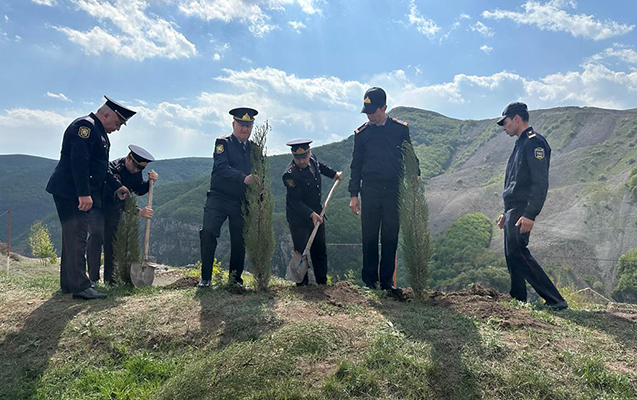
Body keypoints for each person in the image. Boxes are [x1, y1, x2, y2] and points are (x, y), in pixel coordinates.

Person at [46, 96, 135, 299]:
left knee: (72, 238)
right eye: (117, 123)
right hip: (71, 192)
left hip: (74, 191)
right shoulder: (85, 127)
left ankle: (69, 284)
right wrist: (84, 193)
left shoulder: (98, 132)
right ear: (107, 115)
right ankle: (81, 287)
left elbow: (101, 168)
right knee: (78, 238)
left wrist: (118, 186)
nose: (117, 128)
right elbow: (79, 162)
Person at [495, 101, 568, 310]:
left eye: (506, 122)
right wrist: (505, 212)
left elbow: (539, 182)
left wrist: (530, 214)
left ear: (517, 118)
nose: (504, 127)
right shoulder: (520, 143)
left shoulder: (534, 142)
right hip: (513, 208)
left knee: (518, 252)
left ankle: (555, 299)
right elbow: (514, 181)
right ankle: (517, 297)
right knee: (511, 254)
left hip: (522, 208)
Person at [348, 87, 418, 291]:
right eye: (367, 112)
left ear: (384, 107)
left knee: (390, 235)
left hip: (393, 190)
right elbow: (356, 165)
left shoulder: (400, 129)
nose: (369, 116)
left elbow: (409, 155)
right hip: (370, 189)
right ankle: (370, 282)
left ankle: (387, 282)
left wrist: (415, 174)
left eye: (373, 112)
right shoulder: (362, 134)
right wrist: (354, 194)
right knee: (369, 235)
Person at [198, 107, 260, 288]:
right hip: (219, 198)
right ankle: (205, 278)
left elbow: (260, 173)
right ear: (233, 124)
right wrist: (243, 178)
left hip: (241, 200)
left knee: (239, 240)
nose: (244, 129)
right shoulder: (222, 143)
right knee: (208, 232)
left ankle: (235, 280)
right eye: (241, 125)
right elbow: (221, 167)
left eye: (248, 126)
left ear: (252, 127)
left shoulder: (255, 148)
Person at [87, 145, 158, 285]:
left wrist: (150, 182)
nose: (137, 170)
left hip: (114, 211)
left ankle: (110, 280)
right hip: (98, 206)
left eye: (140, 169)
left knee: (112, 243)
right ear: (128, 158)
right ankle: (93, 278)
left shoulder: (135, 171)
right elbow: (121, 199)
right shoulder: (113, 170)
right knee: (96, 236)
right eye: (136, 167)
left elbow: (137, 188)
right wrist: (138, 212)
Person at [283, 139, 342, 286]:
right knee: (301, 251)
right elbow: (295, 202)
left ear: (309, 153)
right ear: (293, 156)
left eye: (304, 157)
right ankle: (302, 285)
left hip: (317, 213)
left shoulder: (312, 159)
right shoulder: (290, 175)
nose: (302, 161)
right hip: (299, 218)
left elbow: (320, 167)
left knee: (319, 249)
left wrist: (334, 174)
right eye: (298, 158)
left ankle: (322, 283)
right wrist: (311, 214)